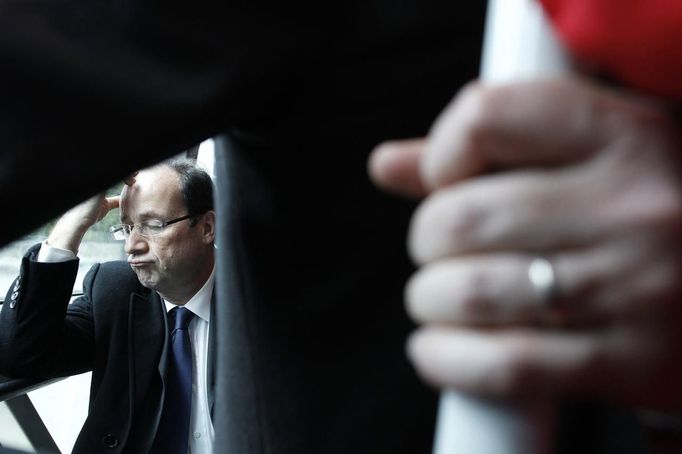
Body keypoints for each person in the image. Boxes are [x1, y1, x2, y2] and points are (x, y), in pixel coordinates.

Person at [0, 158, 217, 453]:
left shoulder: (259, 299)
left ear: (206, 227)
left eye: (152, 225)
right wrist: (72, 225)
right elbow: (20, 352)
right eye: (126, 229)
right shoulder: (115, 292)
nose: (132, 246)